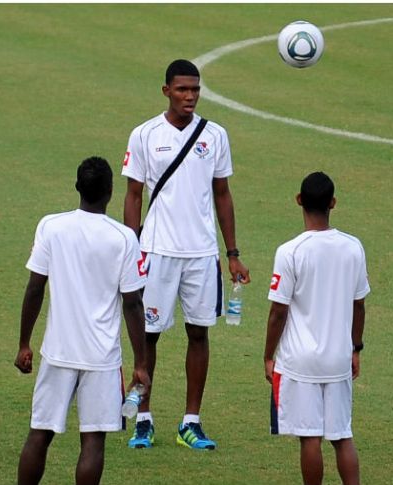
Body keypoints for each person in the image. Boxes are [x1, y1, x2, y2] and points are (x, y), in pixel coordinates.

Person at [121, 59, 250, 450]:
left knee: (199, 332)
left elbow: (222, 194)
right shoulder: (144, 135)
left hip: (201, 254)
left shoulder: (215, 135)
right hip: (156, 251)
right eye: (182, 89)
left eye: (195, 89)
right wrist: (131, 249)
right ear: (166, 91)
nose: (190, 96)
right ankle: (143, 418)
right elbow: (133, 194)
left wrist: (232, 253)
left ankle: (190, 422)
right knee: (148, 337)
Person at [15, 156, 151, 485]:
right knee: (93, 440)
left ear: (77, 188)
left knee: (39, 434)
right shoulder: (123, 238)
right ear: (109, 191)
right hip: (101, 358)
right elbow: (132, 304)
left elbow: (35, 289)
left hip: (58, 350)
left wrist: (23, 344)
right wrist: (142, 362)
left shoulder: (52, 226)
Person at [264, 172, 370, 485]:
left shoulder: (290, 251)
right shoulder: (353, 247)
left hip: (300, 361)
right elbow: (359, 305)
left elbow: (277, 312)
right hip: (338, 357)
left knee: (309, 437)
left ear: (299, 200)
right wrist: (356, 348)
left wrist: (268, 355)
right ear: (333, 203)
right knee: (341, 435)